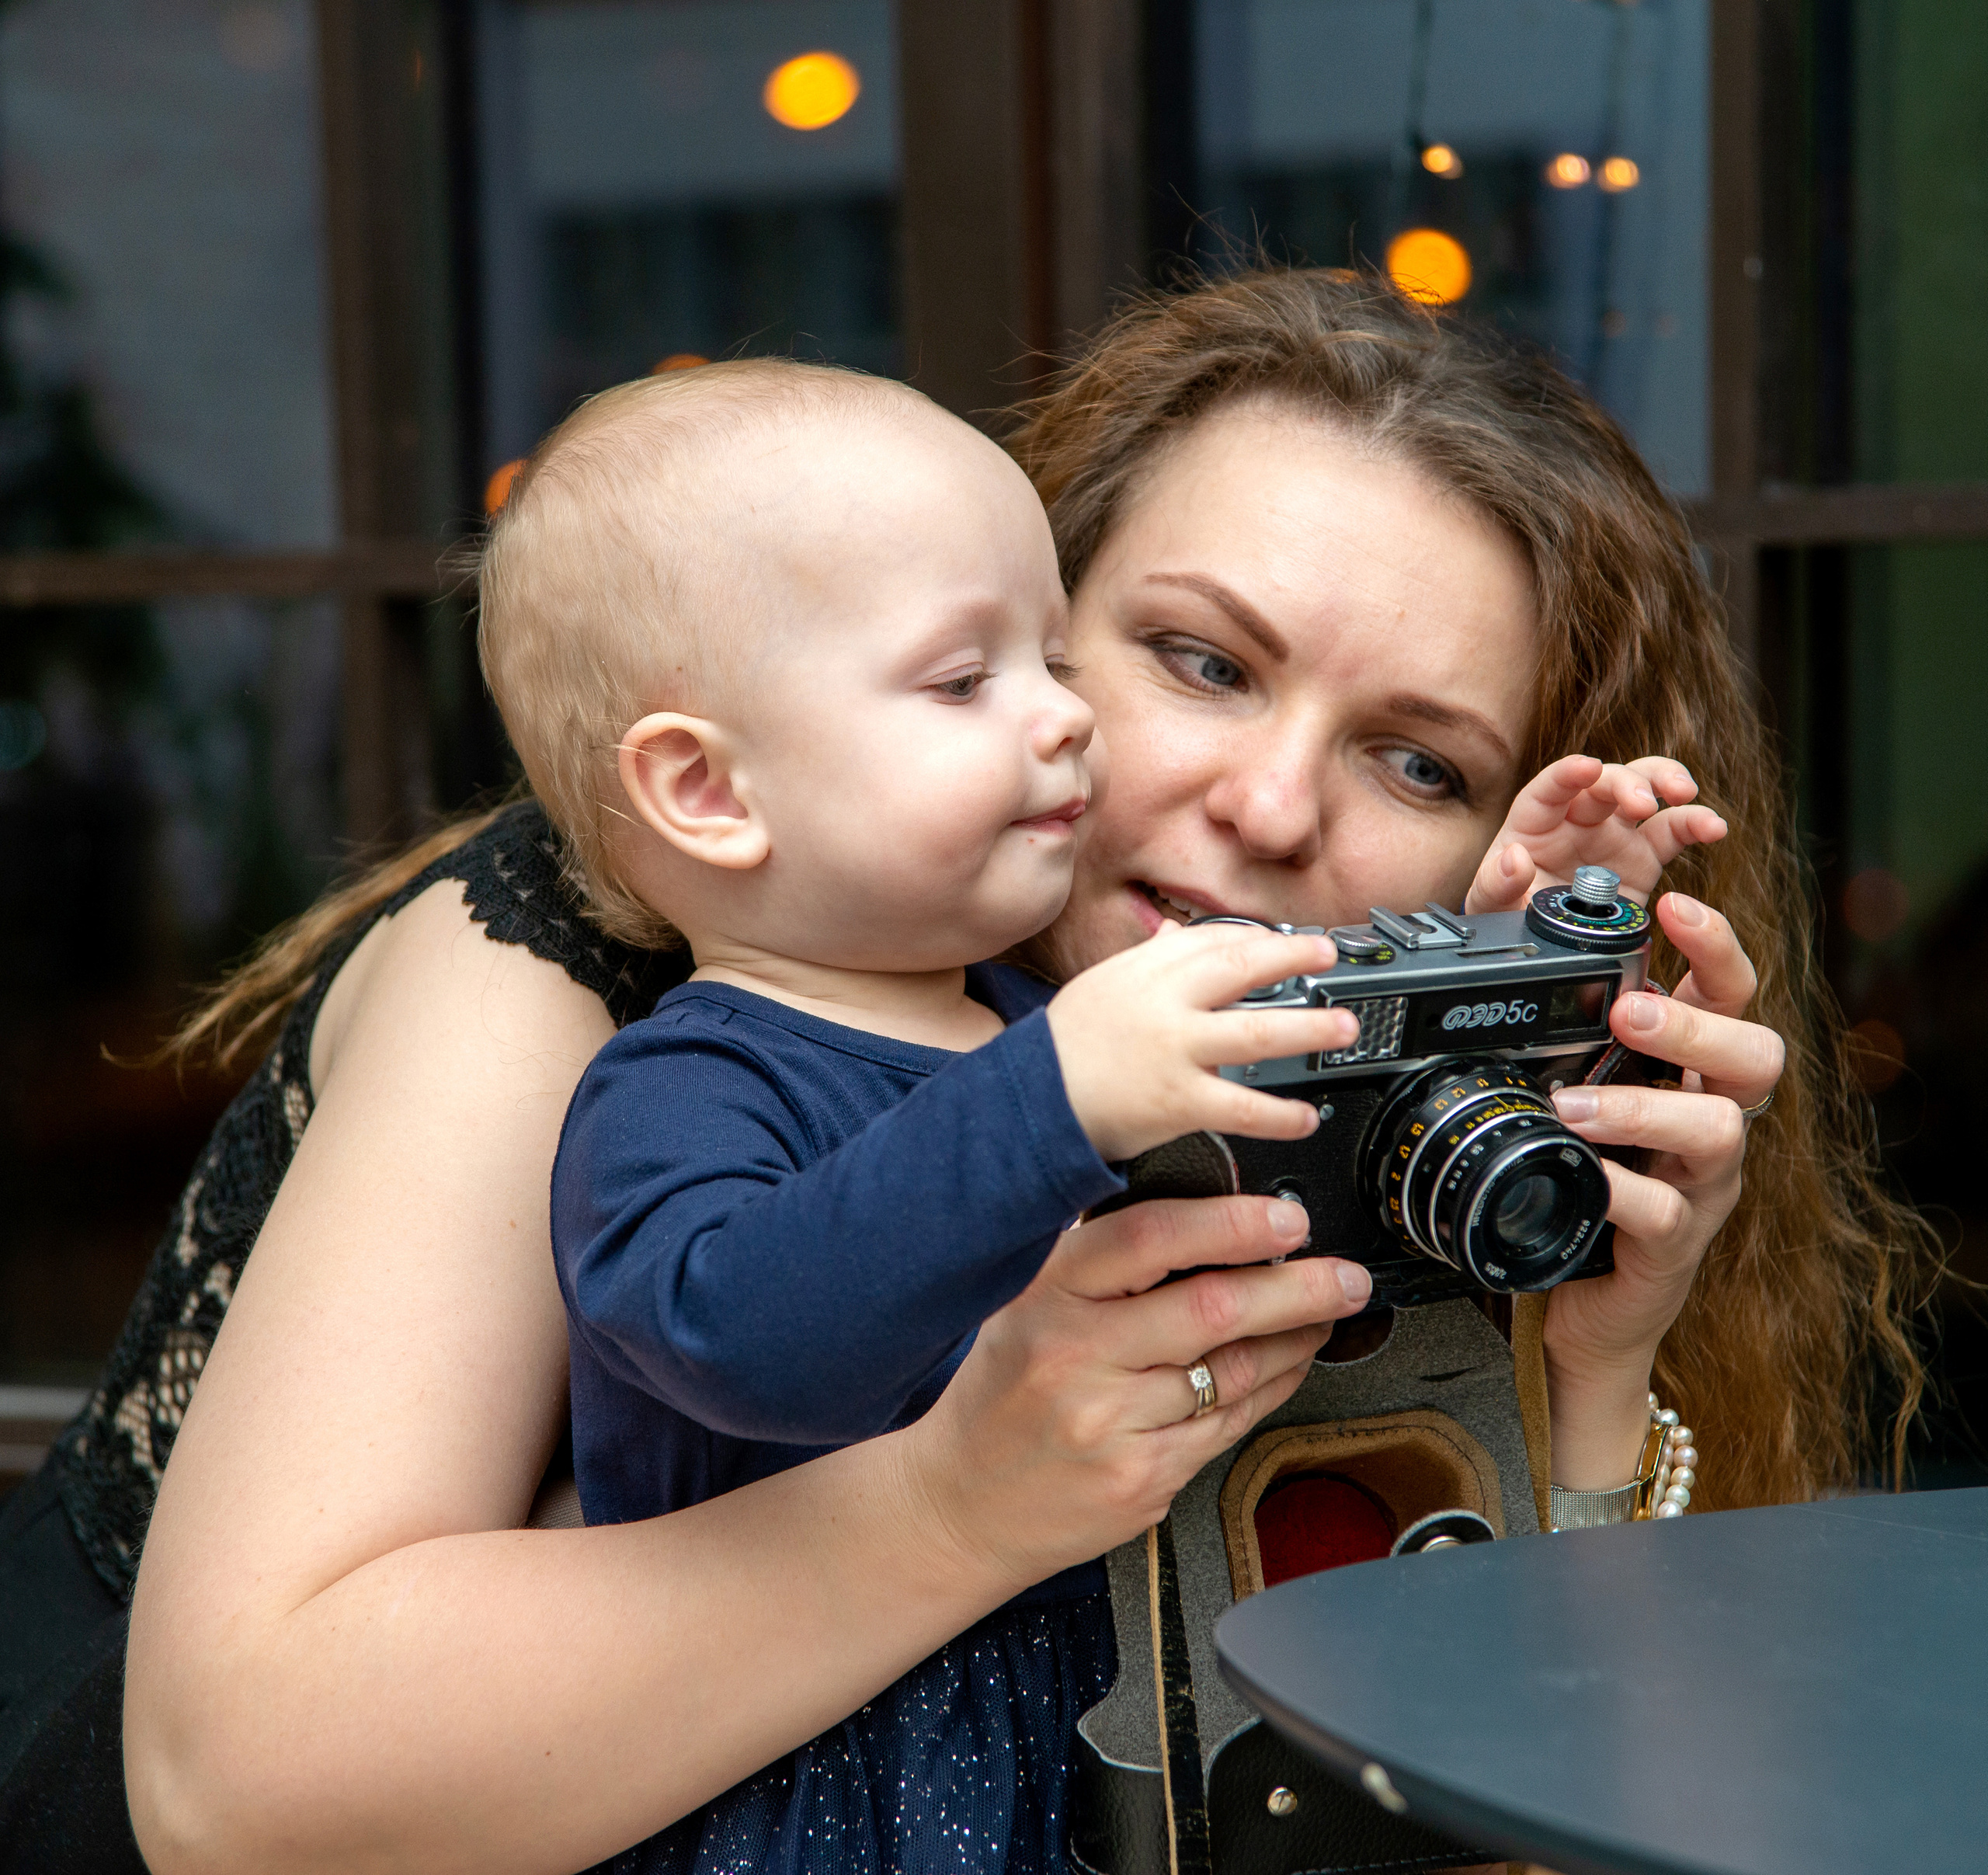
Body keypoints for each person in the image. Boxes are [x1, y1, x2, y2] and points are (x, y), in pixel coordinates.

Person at [0, 266, 1892, 1875]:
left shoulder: (1302, 1091)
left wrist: (1570, 1353)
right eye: (1198, 661)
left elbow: (1387, 1799)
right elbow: (232, 1778)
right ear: (1015, 625)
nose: (1264, 803)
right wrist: (956, 1501)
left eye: (1418, 766)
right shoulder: (589, 965)